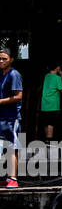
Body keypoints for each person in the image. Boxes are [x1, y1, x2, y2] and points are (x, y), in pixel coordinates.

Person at [0, 49, 23, 188]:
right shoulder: (1, 74)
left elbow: (19, 96)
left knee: (12, 148)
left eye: (4, 58)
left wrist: (0, 102)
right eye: (0, 58)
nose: (1, 61)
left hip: (11, 118)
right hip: (2, 117)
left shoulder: (14, 74)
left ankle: (13, 178)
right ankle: (8, 177)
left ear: (11, 59)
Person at [40, 63, 62, 141]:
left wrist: (60, 76)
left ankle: (47, 140)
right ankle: (50, 140)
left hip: (44, 104)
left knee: (46, 122)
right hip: (53, 104)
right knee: (51, 123)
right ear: (57, 68)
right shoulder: (57, 78)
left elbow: (56, 84)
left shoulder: (46, 76)